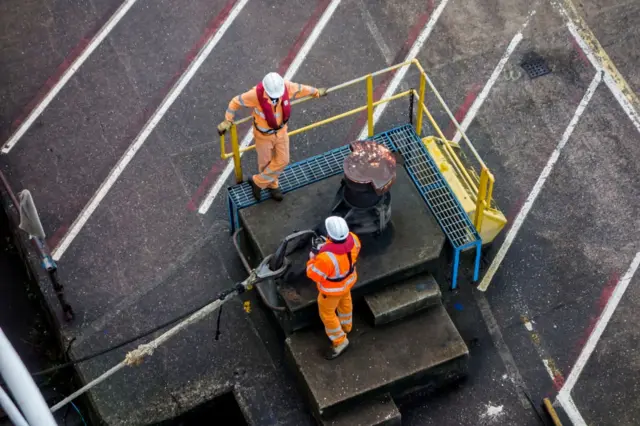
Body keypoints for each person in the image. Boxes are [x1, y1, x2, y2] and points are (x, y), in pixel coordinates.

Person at [218, 72, 327, 201]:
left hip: (281, 132)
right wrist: (227, 120)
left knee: (283, 160)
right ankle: (273, 186)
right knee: (265, 164)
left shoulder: (286, 87)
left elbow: (300, 89)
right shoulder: (255, 95)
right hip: (263, 136)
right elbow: (235, 102)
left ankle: (257, 182)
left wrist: (316, 92)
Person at [306, 216, 361, 360]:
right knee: (346, 302)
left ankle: (340, 341)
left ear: (329, 234)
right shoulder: (354, 239)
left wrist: (313, 257)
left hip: (331, 292)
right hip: (348, 282)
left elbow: (314, 274)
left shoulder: (325, 258)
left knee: (328, 315)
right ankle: (346, 326)